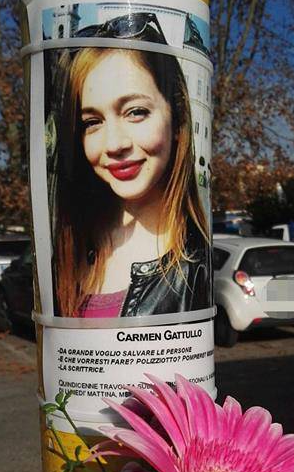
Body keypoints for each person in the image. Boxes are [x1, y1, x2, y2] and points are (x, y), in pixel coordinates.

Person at [48, 40, 211, 318]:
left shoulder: (200, 262)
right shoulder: (69, 243)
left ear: (177, 117)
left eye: (136, 112)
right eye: (93, 122)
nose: (114, 144)